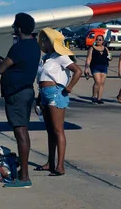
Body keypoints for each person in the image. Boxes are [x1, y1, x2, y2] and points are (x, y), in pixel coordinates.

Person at [0, 12, 41, 189]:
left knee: (20, 132)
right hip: (27, 91)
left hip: (17, 94)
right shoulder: (34, 46)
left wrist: (2, 63)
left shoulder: (18, 47)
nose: (13, 28)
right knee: (22, 131)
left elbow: (2, 69)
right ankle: (23, 171)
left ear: (19, 28)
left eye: (15, 25)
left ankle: (24, 178)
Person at [35, 28, 83, 176]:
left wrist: (69, 88)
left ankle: (60, 165)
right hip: (44, 93)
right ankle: (51, 162)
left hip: (56, 93)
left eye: (46, 39)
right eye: (43, 39)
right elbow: (41, 78)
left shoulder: (61, 57)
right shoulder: (46, 58)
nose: (43, 42)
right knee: (50, 131)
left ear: (53, 42)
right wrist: (39, 97)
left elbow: (78, 71)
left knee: (58, 130)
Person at [84, 33, 110, 104]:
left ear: (103, 41)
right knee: (97, 82)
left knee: (102, 83)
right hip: (95, 66)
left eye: (100, 40)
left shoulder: (105, 48)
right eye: (97, 39)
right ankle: (93, 96)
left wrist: (110, 57)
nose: (98, 41)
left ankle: (99, 98)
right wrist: (86, 68)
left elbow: (109, 57)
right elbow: (89, 59)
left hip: (104, 66)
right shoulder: (92, 48)